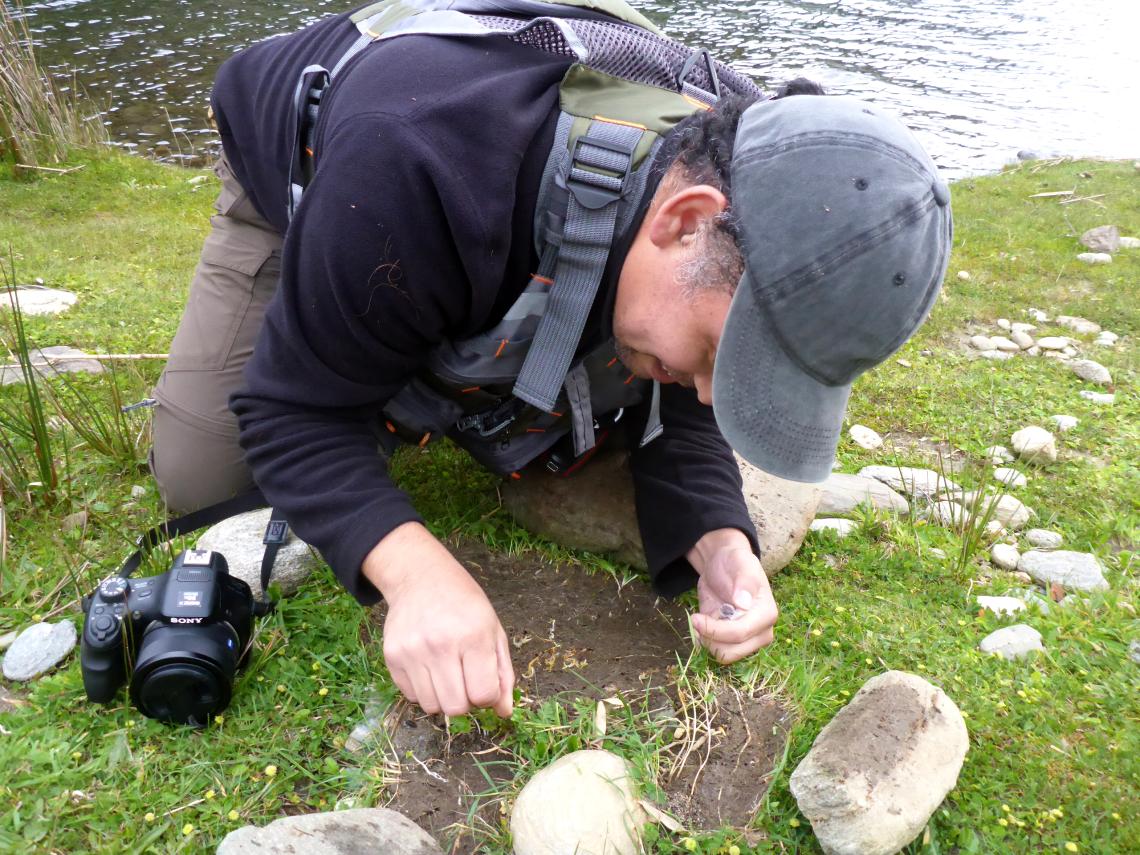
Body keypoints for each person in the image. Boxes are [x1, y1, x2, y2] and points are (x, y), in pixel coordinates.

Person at [150, 0, 951, 721]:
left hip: (487, 199)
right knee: (207, 478)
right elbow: (291, 410)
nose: (711, 389)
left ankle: (402, 335)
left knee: (618, 358)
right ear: (681, 223)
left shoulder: (745, 186)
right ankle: (359, 313)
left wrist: (719, 539)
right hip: (313, 166)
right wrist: (416, 573)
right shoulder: (413, 161)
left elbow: (686, 413)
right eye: (718, 353)